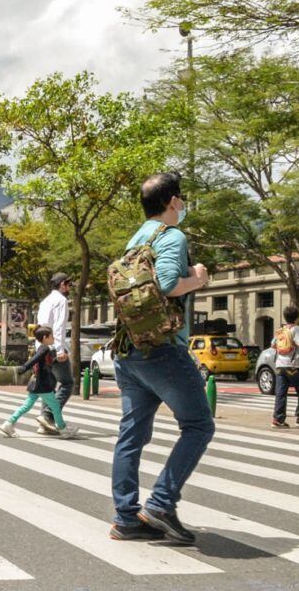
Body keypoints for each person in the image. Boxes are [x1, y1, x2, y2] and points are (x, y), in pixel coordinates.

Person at [109, 171, 214, 544]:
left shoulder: (135, 239)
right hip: (164, 350)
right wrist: (199, 279)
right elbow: (168, 285)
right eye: (180, 198)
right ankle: (160, 504)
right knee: (200, 425)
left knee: (132, 434)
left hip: (130, 349)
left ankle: (125, 518)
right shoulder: (173, 236)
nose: (183, 204)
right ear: (173, 202)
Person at [0, 326, 79, 439]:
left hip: (36, 383)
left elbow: (44, 362)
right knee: (55, 406)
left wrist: (57, 359)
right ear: (45, 337)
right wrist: (24, 367)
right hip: (43, 384)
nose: (53, 338)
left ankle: (8, 423)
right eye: (51, 336)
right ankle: (63, 428)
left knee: (26, 406)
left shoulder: (44, 348)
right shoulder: (44, 349)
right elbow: (35, 359)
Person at [36, 272, 74, 435]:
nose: (70, 287)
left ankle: (45, 424)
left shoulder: (45, 301)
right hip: (54, 348)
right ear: (62, 285)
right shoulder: (61, 300)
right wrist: (60, 350)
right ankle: (48, 415)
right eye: (68, 284)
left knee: (49, 386)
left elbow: (40, 327)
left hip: (42, 347)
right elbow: (58, 327)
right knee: (67, 383)